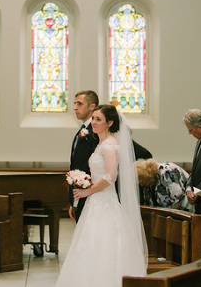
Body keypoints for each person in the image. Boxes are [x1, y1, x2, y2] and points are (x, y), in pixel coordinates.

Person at [56, 104, 147, 286]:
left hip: (104, 201)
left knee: (104, 244)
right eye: (93, 118)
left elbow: (110, 176)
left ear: (109, 123)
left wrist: (87, 190)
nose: (94, 123)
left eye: (99, 119)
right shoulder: (101, 144)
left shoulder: (109, 145)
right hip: (96, 201)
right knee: (89, 245)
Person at [68, 90, 99, 221]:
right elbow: (76, 164)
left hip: (90, 194)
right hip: (79, 195)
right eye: (75, 103)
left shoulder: (96, 131)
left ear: (92, 107)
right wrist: (73, 202)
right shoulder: (83, 130)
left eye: (79, 104)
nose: (75, 107)